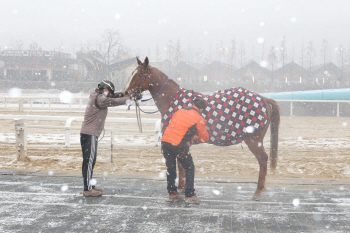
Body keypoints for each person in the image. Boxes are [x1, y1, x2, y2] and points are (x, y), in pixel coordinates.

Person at [80, 80, 133, 197]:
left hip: (89, 133)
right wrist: (128, 99)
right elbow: (113, 101)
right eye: (109, 91)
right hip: (90, 134)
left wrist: (126, 93)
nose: (109, 94)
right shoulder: (100, 99)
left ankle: (89, 185)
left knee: (90, 161)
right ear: (105, 90)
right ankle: (87, 189)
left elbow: (113, 96)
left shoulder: (98, 95)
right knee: (89, 162)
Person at [161, 98, 209, 204]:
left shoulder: (180, 111)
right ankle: (190, 195)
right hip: (179, 144)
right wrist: (197, 138)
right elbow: (205, 138)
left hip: (165, 142)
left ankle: (172, 193)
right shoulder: (199, 117)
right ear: (201, 109)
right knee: (189, 167)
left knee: (171, 168)